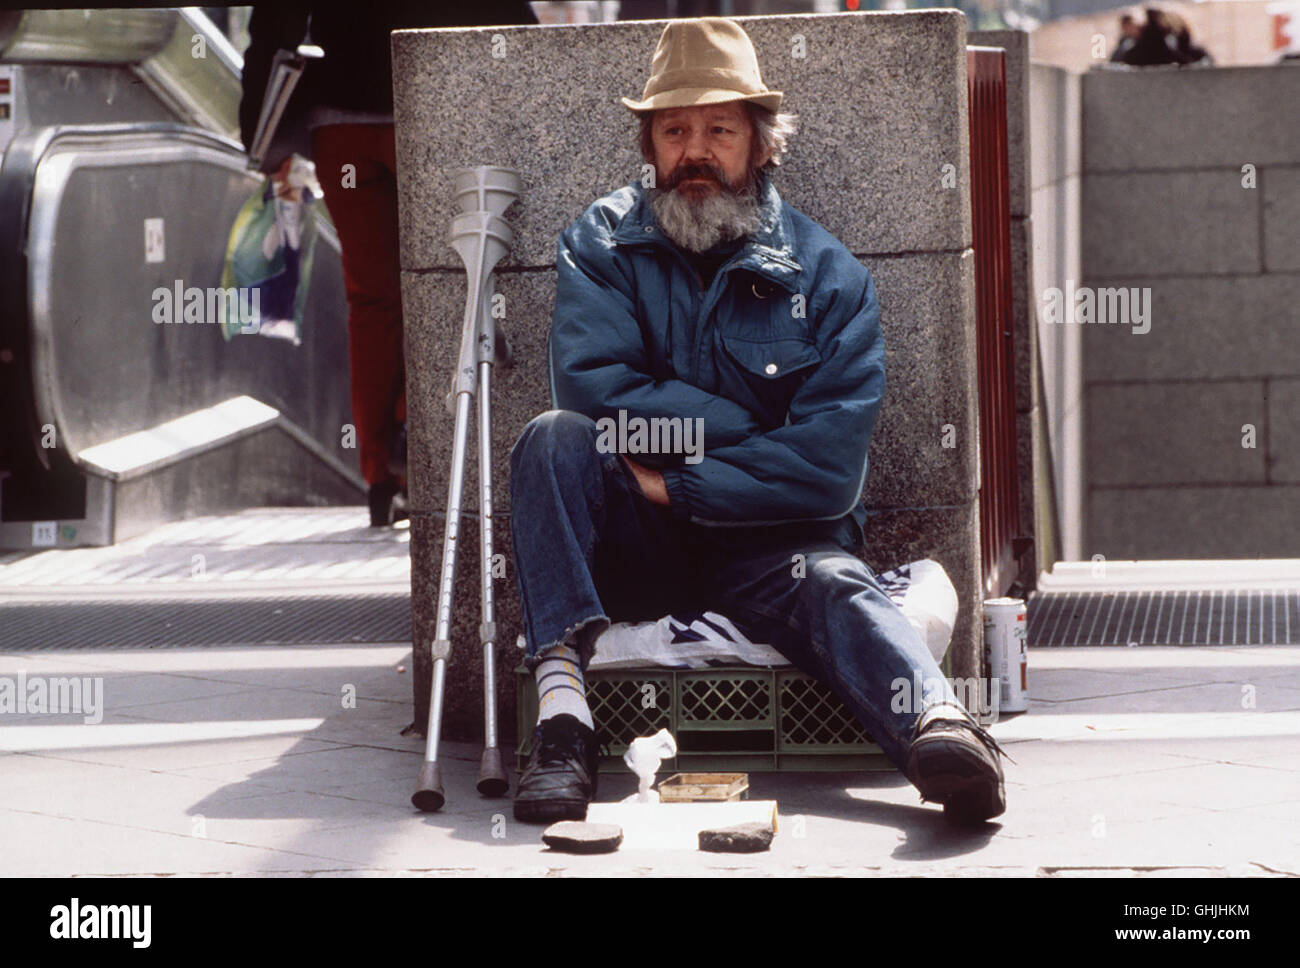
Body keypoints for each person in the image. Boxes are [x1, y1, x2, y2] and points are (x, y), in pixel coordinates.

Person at [509, 18, 1009, 827]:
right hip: (636, 548)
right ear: (650, 144)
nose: (695, 150)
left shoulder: (825, 273)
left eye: (719, 129)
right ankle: (563, 723)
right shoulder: (599, 242)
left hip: (775, 543)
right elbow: (596, 394)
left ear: (761, 144)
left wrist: (680, 482)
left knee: (839, 580)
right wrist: (748, 428)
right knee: (553, 440)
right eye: (674, 129)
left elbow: (828, 468)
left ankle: (940, 728)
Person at [239, 2, 537, 526]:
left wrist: (257, 134)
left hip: (342, 120)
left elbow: (273, 20)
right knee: (446, 282)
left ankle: (381, 475)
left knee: (372, 298)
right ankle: (412, 434)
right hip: (436, 103)